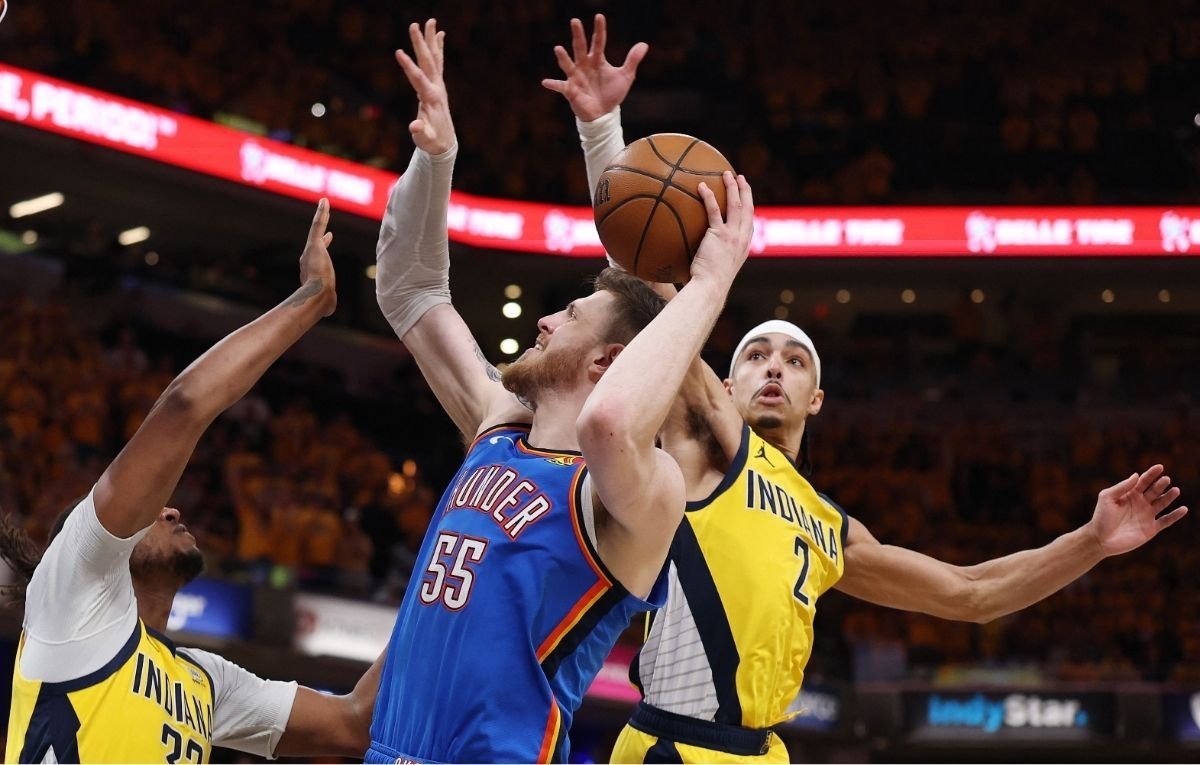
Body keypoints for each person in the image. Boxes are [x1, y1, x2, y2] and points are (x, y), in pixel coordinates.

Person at [545, 15, 1190, 763]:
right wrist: (603, 132)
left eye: (796, 360)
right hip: (673, 745)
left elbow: (969, 593)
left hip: (764, 751)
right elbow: (646, 274)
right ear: (723, 381)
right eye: (756, 355)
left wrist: (1091, 542)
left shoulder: (828, 526)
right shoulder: (707, 438)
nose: (775, 367)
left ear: (817, 397)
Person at [367, 19, 755, 764]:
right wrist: (435, 159)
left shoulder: (639, 491)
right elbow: (409, 289)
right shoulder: (498, 422)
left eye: (569, 315)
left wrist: (710, 282)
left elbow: (610, 422)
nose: (544, 321)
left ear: (609, 359)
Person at [1, 200, 384, 763]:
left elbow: (352, 724)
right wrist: (309, 301)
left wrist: (443, 570)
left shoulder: (205, 680)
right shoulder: (73, 589)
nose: (170, 509)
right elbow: (183, 406)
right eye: (150, 512)